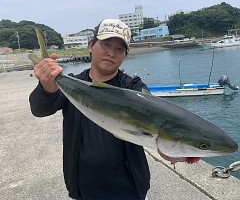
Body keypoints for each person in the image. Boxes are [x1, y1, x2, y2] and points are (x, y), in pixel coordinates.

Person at [29, 18, 182, 200]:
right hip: (82, 192)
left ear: (125, 55)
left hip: (130, 192)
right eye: (106, 44)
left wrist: (171, 151)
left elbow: (154, 115)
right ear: (90, 46)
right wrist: (47, 87)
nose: (111, 53)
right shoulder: (72, 84)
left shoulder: (133, 88)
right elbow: (39, 109)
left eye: (119, 49)